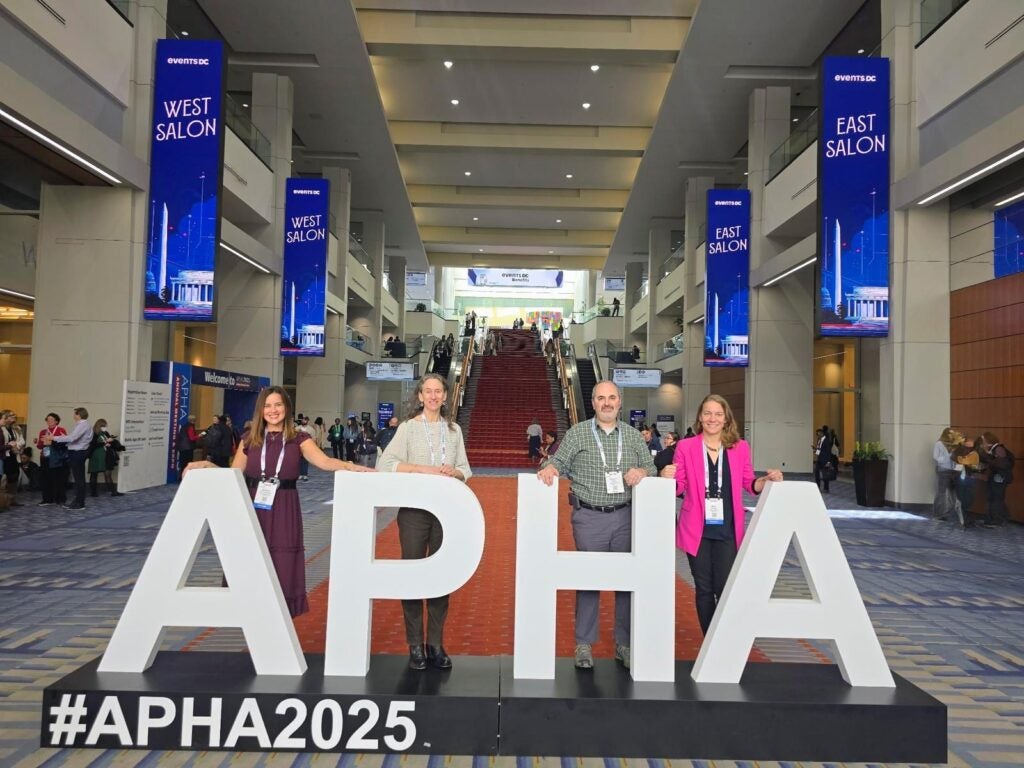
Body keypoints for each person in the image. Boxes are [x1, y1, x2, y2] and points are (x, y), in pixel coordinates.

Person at [185, 386, 373, 617]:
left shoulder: (298, 439)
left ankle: (279, 619)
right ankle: (248, 613)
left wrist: (351, 467)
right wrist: (206, 465)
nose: (273, 410)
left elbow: (324, 462)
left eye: (278, 405)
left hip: (284, 506)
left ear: (287, 408)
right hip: (253, 505)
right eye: (268, 406)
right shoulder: (249, 439)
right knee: (250, 556)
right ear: (260, 410)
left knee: (282, 562)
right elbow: (233, 474)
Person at [537, 380, 657, 670]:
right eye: (601, 398)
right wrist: (550, 468)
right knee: (588, 580)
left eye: (612, 398)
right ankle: (584, 643)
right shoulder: (578, 433)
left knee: (627, 582)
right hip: (589, 518)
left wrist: (642, 471)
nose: (607, 403)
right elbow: (556, 463)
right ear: (593, 403)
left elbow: (652, 468)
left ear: (619, 402)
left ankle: (624, 644)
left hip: (626, 517)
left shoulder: (632, 436)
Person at [666, 394, 783, 634]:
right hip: (696, 528)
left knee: (725, 586)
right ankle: (709, 642)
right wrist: (666, 479)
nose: (712, 418)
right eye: (707, 413)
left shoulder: (739, 448)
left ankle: (722, 639)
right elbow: (679, 486)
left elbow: (749, 483)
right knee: (704, 588)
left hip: (727, 528)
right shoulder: (686, 447)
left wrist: (766, 480)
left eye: (718, 414)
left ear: (726, 418)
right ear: (700, 417)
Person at [379, 373, 472, 671]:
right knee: (412, 576)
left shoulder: (454, 430)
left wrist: (452, 472)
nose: (433, 396)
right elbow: (386, 464)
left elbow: (465, 469)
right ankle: (415, 644)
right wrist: (421, 469)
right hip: (415, 512)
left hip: (447, 511)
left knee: (441, 577)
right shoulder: (408, 428)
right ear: (419, 396)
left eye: (438, 392)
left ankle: (435, 642)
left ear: (445, 396)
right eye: (427, 391)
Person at [44, 407, 92, 510]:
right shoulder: (83, 424)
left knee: (79, 479)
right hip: (78, 452)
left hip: (77, 453)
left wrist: (54, 438)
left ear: (79, 414)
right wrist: (63, 437)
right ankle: (78, 501)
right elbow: (73, 437)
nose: (73, 415)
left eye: (75, 414)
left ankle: (79, 503)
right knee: (79, 478)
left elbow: (72, 438)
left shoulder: (83, 425)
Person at [979, 431, 1013, 527]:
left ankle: (998, 520)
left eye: (983, 440)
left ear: (989, 440)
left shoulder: (999, 449)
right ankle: (994, 518)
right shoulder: (994, 449)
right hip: (995, 477)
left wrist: (987, 457)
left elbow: (1001, 464)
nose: (982, 443)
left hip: (999, 478)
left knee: (996, 499)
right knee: (992, 498)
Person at [36, 412, 68, 506]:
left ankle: (60, 498)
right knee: (45, 479)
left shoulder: (61, 430)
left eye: (51, 419)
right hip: (45, 457)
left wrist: (52, 441)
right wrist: (44, 443)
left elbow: (65, 444)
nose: (49, 421)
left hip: (57, 458)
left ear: (56, 421)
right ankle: (47, 499)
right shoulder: (43, 431)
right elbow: (39, 445)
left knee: (58, 479)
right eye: (48, 419)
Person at [88, 419, 123, 497]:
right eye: (104, 426)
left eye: (106, 426)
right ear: (99, 426)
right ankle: (93, 493)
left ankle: (113, 492)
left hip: (106, 456)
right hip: (96, 456)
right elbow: (93, 445)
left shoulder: (105, 433)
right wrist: (105, 442)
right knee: (94, 474)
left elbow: (108, 442)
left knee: (108, 473)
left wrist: (110, 442)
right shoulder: (94, 434)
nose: (105, 427)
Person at [933, 428, 961, 521]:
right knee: (941, 492)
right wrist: (947, 456)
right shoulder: (939, 444)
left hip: (953, 470)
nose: (951, 436)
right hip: (943, 469)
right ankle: (938, 514)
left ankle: (950, 512)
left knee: (953, 492)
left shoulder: (955, 444)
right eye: (950, 434)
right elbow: (936, 456)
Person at [1, 410, 25, 506]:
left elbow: (22, 441)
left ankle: (12, 499)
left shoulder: (17, 428)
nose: (14, 416)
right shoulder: (1, 428)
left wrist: (15, 445)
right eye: (11, 415)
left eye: (14, 415)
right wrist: (10, 445)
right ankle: (3, 501)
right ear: (5, 417)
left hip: (14, 456)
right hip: (4, 456)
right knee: (3, 478)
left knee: (14, 477)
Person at [177, 415, 200, 480]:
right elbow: (192, 438)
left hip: (182, 447)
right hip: (188, 448)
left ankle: (181, 477)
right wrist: (199, 436)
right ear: (194, 420)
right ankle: (185, 478)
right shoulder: (190, 427)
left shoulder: (184, 426)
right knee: (187, 464)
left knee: (182, 463)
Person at [814, 425, 833, 493]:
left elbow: (828, 452)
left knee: (825, 475)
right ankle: (817, 487)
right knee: (816, 473)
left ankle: (826, 488)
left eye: (818, 434)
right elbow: (819, 450)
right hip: (819, 460)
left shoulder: (826, 441)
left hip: (825, 460)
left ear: (822, 433)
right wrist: (815, 450)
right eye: (817, 434)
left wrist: (828, 462)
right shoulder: (819, 440)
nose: (817, 435)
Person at [296, 416, 316, 480]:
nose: (303, 421)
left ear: (307, 421)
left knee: (305, 461)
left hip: (307, 447)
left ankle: (305, 474)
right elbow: (293, 436)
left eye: (305, 420)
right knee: (298, 461)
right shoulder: (297, 428)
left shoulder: (311, 429)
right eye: (303, 420)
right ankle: (299, 474)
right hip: (298, 447)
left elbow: (314, 438)